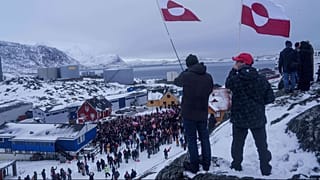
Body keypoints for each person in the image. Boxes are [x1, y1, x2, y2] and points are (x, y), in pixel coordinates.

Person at [225, 52, 275, 176]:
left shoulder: (236, 79)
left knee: (238, 143)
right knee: (262, 144)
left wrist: (233, 71)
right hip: (257, 117)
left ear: (243, 63)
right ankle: (265, 168)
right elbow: (270, 98)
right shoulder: (261, 79)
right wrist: (258, 104)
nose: (235, 63)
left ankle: (236, 165)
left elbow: (228, 85)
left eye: (237, 61)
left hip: (239, 118)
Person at [174, 54, 214, 173]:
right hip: (202, 112)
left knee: (192, 139)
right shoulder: (208, 76)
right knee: (204, 138)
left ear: (188, 65)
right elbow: (210, 89)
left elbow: (177, 82)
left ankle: (194, 165)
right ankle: (206, 163)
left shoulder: (186, 75)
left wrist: (186, 72)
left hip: (189, 113)